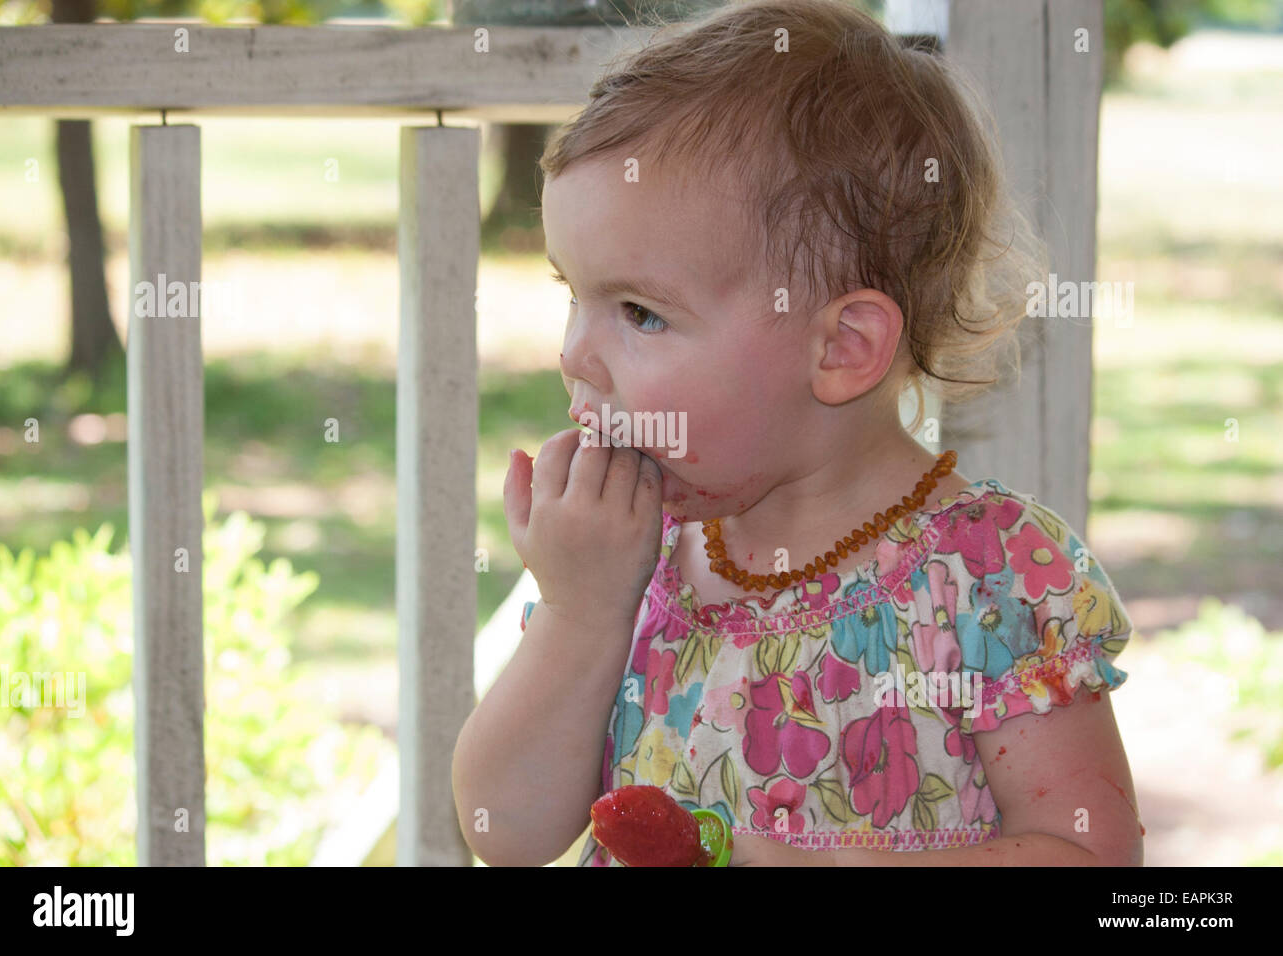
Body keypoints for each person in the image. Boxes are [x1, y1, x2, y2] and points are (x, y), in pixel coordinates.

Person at [452, 0, 1141, 867]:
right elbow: (504, 834)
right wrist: (578, 612)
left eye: (640, 313)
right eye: (572, 297)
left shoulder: (992, 576)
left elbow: (1094, 859)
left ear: (843, 347)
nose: (576, 355)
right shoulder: (633, 555)